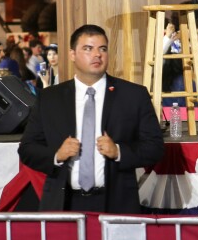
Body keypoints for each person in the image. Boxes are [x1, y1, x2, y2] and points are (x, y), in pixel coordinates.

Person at [18, 24, 164, 213]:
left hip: (117, 204)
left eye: (102, 49)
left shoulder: (134, 95)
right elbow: (27, 149)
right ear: (72, 55)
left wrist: (119, 151)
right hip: (63, 204)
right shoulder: (49, 98)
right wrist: (56, 155)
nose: (97, 55)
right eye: (88, 49)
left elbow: (155, 148)